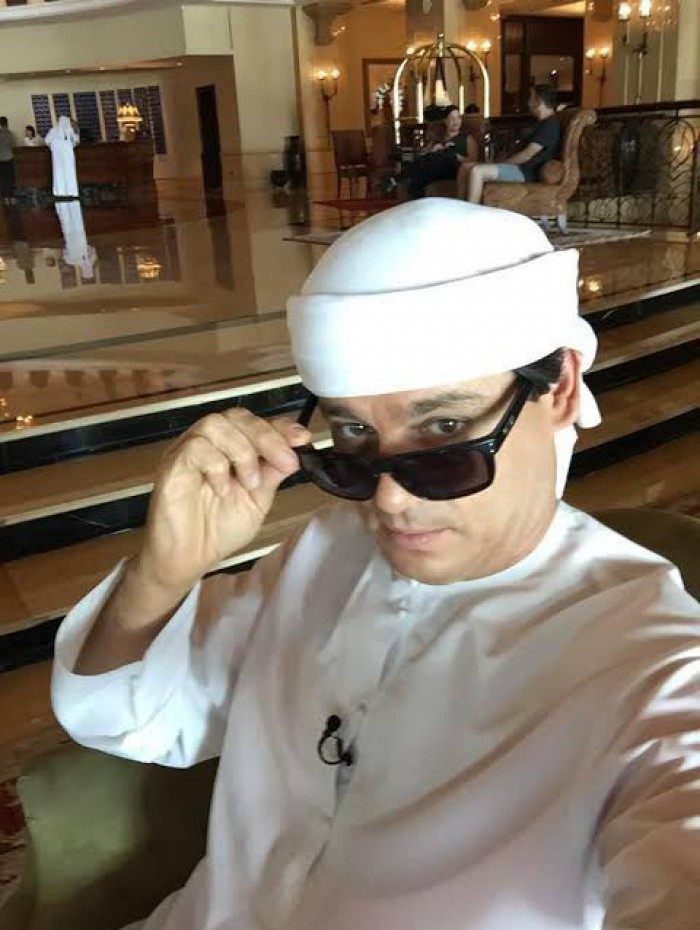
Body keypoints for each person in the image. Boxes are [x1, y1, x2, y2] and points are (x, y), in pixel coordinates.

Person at [51, 200, 700, 930]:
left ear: (560, 389)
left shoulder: (656, 668)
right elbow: (126, 715)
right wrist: (164, 571)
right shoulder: (326, 550)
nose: (389, 500)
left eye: (445, 429)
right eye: (354, 436)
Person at [457, 83, 562, 202]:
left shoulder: (550, 125)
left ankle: (472, 211)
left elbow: (527, 154)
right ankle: (459, 207)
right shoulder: (540, 123)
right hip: (518, 168)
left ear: (539, 102)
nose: (528, 103)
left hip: (526, 172)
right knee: (465, 167)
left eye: (531, 98)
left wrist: (503, 164)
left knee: (477, 171)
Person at [401, 105, 478, 200]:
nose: (456, 121)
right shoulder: (438, 138)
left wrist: (457, 156)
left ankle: (398, 178)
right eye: (452, 118)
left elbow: (473, 161)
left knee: (447, 157)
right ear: (445, 121)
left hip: (453, 168)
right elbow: (423, 155)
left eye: (458, 118)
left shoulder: (467, 138)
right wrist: (433, 149)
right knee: (421, 172)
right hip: (434, 168)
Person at [45, 114, 80, 199]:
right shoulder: (70, 130)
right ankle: (72, 191)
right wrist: (71, 146)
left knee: (59, 174)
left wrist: (52, 148)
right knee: (69, 173)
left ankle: (60, 192)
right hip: (68, 157)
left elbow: (46, 141)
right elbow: (76, 141)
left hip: (57, 157)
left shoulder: (53, 130)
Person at [0, 116, 17, 205]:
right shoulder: (9, 133)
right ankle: (12, 197)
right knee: (10, 178)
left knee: (3, 179)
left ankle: (5, 198)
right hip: (9, 158)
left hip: (1, 160)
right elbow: (13, 144)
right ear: (6, 124)